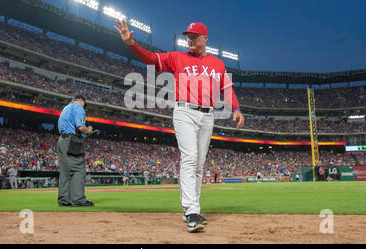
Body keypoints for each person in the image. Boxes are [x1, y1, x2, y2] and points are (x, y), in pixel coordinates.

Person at [115, 19, 244, 233]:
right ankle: (192, 211)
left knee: (200, 165)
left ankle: (192, 210)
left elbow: (227, 89)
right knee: (190, 157)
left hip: (208, 115)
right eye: (188, 37)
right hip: (184, 111)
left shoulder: (218, 64)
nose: (190, 40)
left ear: (205, 38)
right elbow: (150, 58)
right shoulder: (177, 58)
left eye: (195, 36)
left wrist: (236, 109)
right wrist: (131, 43)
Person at [57, 95, 94, 207]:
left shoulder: (66, 108)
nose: (84, 107)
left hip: (62, 140)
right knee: (79, 170)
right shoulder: (78, 108)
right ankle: (78, 200)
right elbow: (81, 128)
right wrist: (89, 130)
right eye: (84, 104)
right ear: (80, 101)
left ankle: (64, 200)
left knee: (65, 172)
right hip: (71, 141)